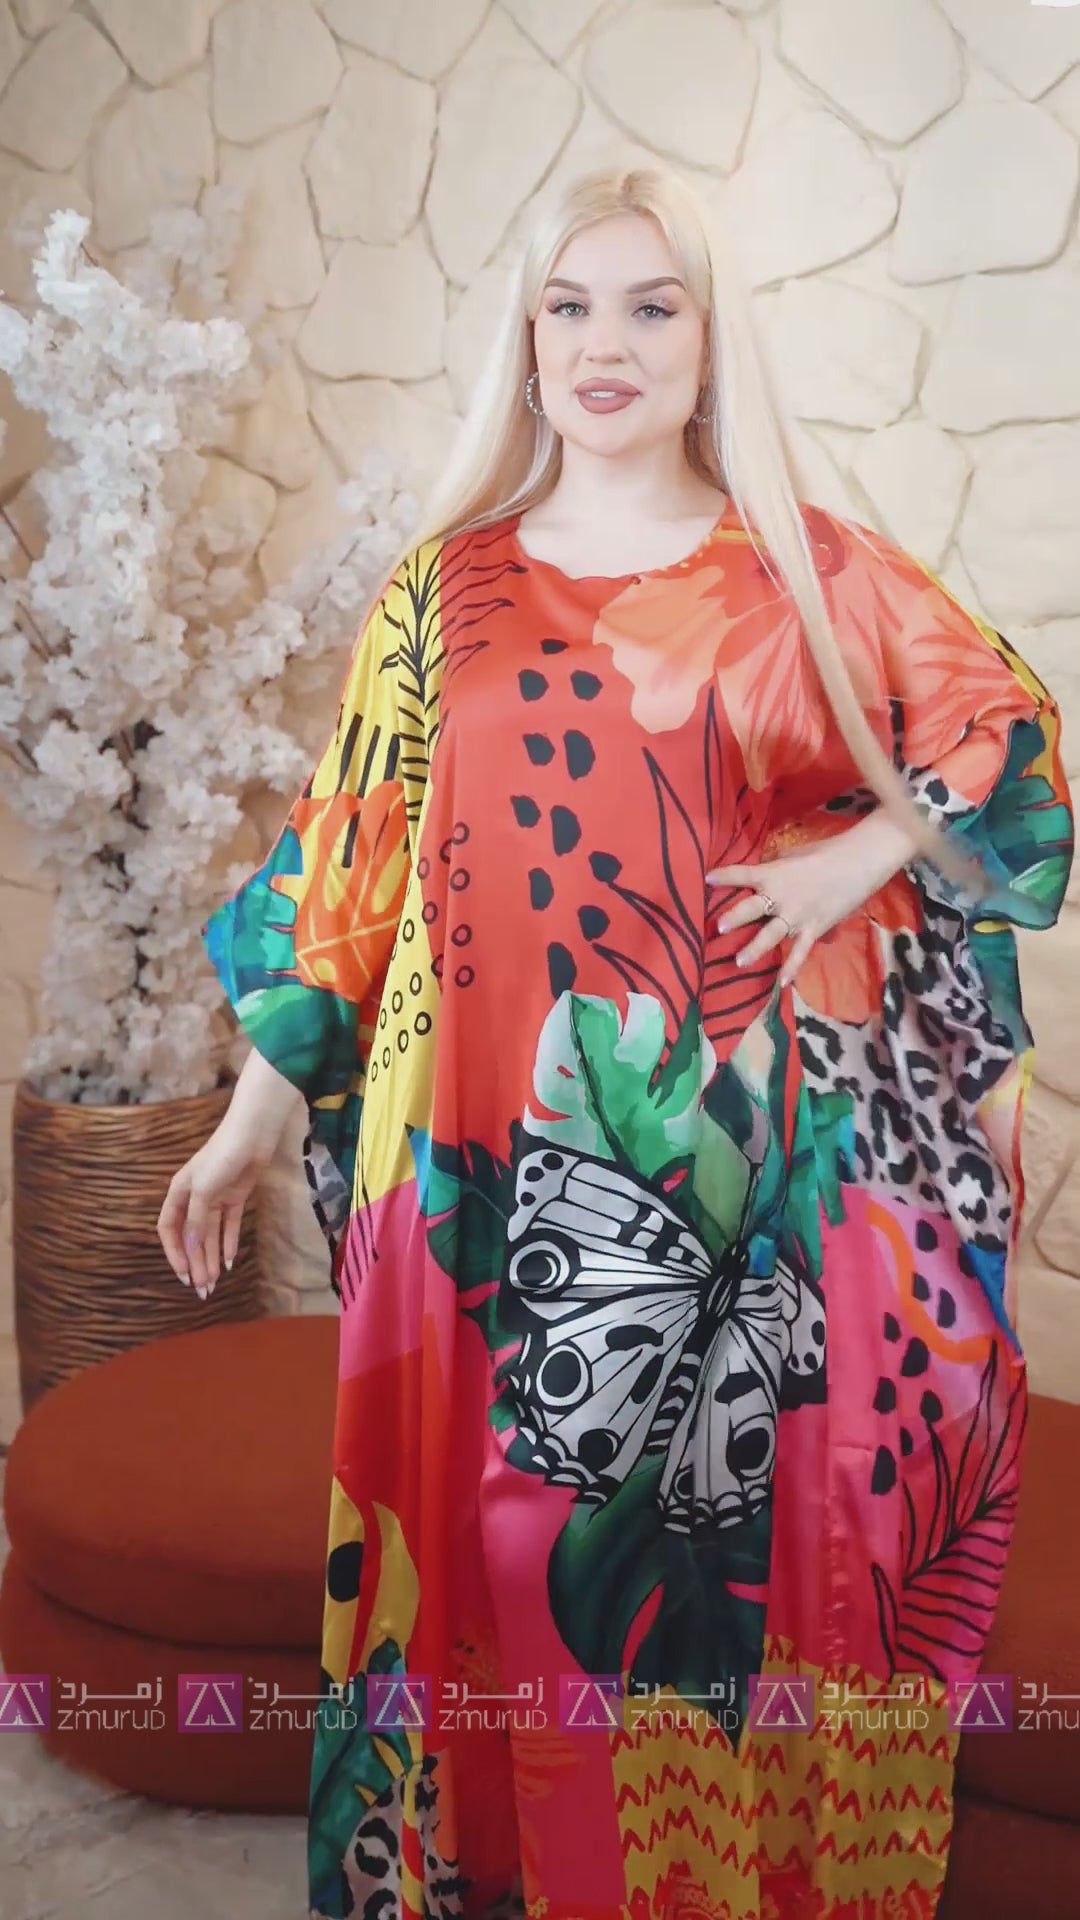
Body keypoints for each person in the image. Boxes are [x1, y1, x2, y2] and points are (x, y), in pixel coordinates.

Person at [158, 161, 1073, 1920]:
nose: (607, 344)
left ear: (711, 341)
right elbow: (351, 869)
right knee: (489, 1531)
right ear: (526, 337)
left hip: (720, 1178)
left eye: (654, 307)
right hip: (474, 1164)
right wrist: (253, 1117)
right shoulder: (440, 593)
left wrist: (858, 859)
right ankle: (499, 1865)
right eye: (570, 305)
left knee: (697, 1571)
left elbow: (1003, 732)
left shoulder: (804, 573)